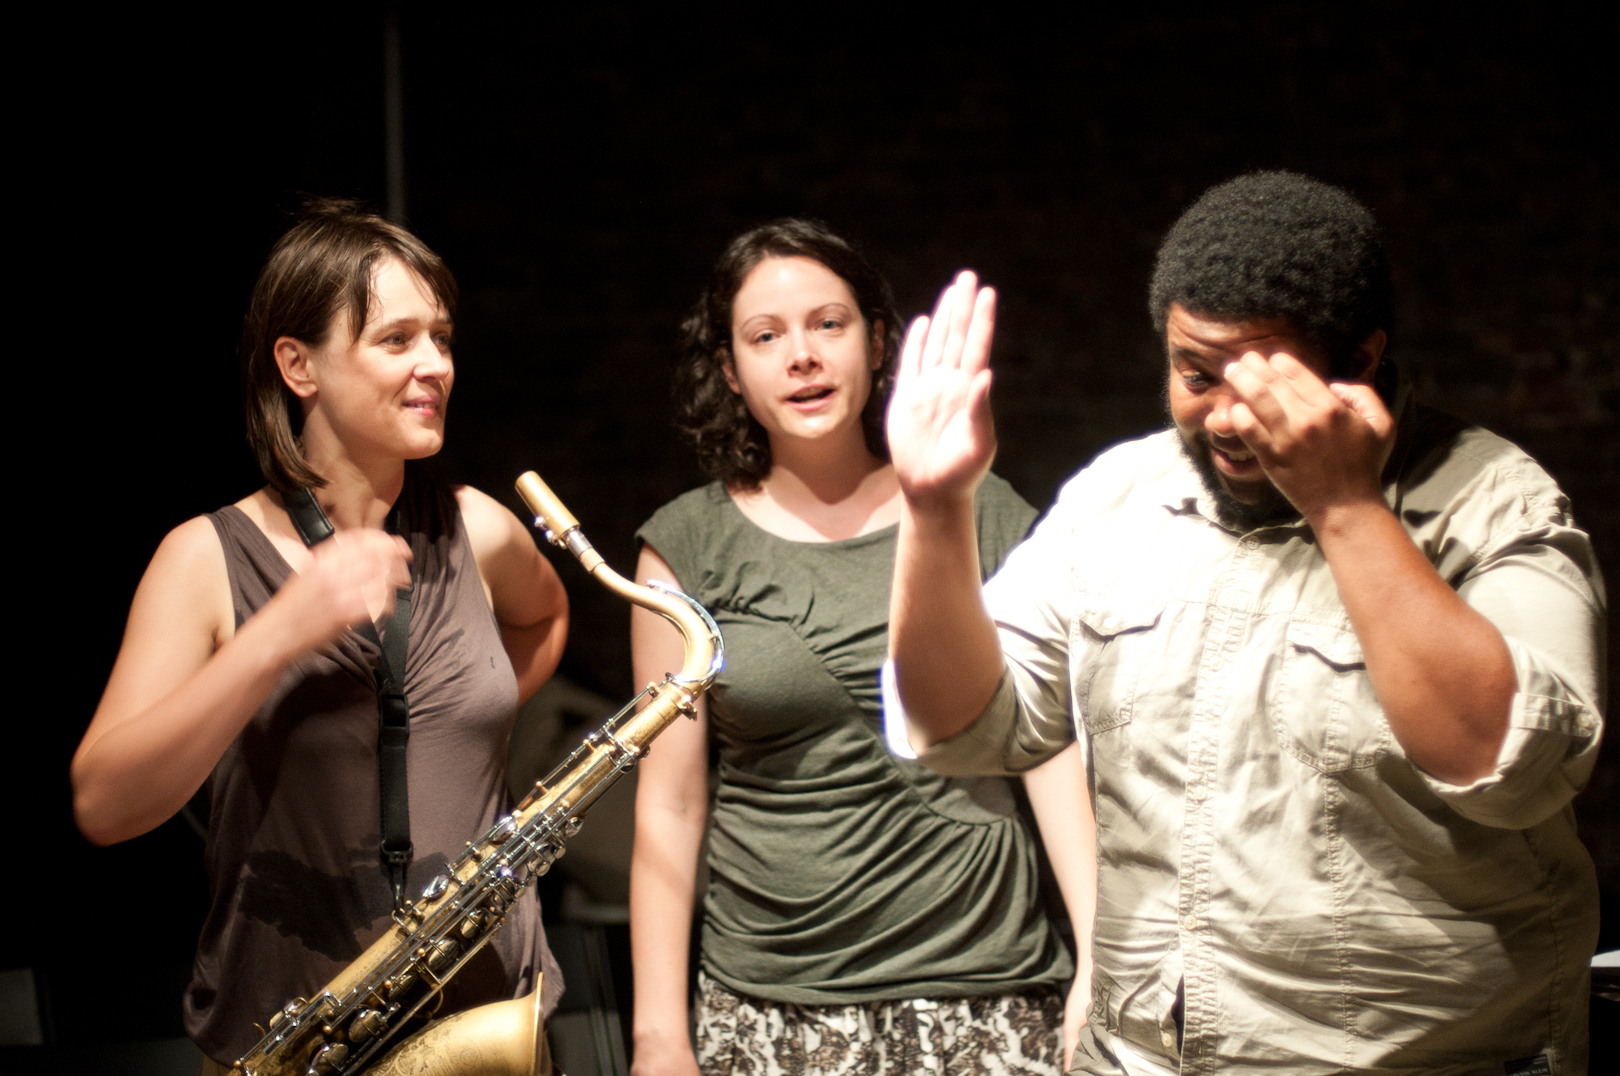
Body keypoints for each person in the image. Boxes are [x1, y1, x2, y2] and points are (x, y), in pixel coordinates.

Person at [885, 173, 1604, 1074]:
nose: (1225, 416)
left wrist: (1345, 505)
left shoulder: (1494, 502)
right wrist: (935, 508)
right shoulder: (1119, 496)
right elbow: (962, 724)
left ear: (1364, 356)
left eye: (1266, 377)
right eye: (1195, 372)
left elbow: (1511, 771)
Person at [70, 200, 570, 1071]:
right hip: (299, 1037)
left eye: (442, 339)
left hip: (491, 1025)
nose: (435, 365)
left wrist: (452, 723)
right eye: (397, 340)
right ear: (298, 365)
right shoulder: (203, 557)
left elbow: (547, 617)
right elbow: (105, 807)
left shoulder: (477, 527)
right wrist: (278, 636)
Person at [630, 219, 1096, 1076]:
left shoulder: (976, 508)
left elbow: (1050, 753)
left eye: (828, 324)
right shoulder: (685, 547)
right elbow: (671, 801)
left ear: (879, 343)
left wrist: (1099, 967)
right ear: (731, 372)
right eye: (766, 337)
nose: (801, 355)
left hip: (984, 984)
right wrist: (658, 1032)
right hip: (774, 1000)